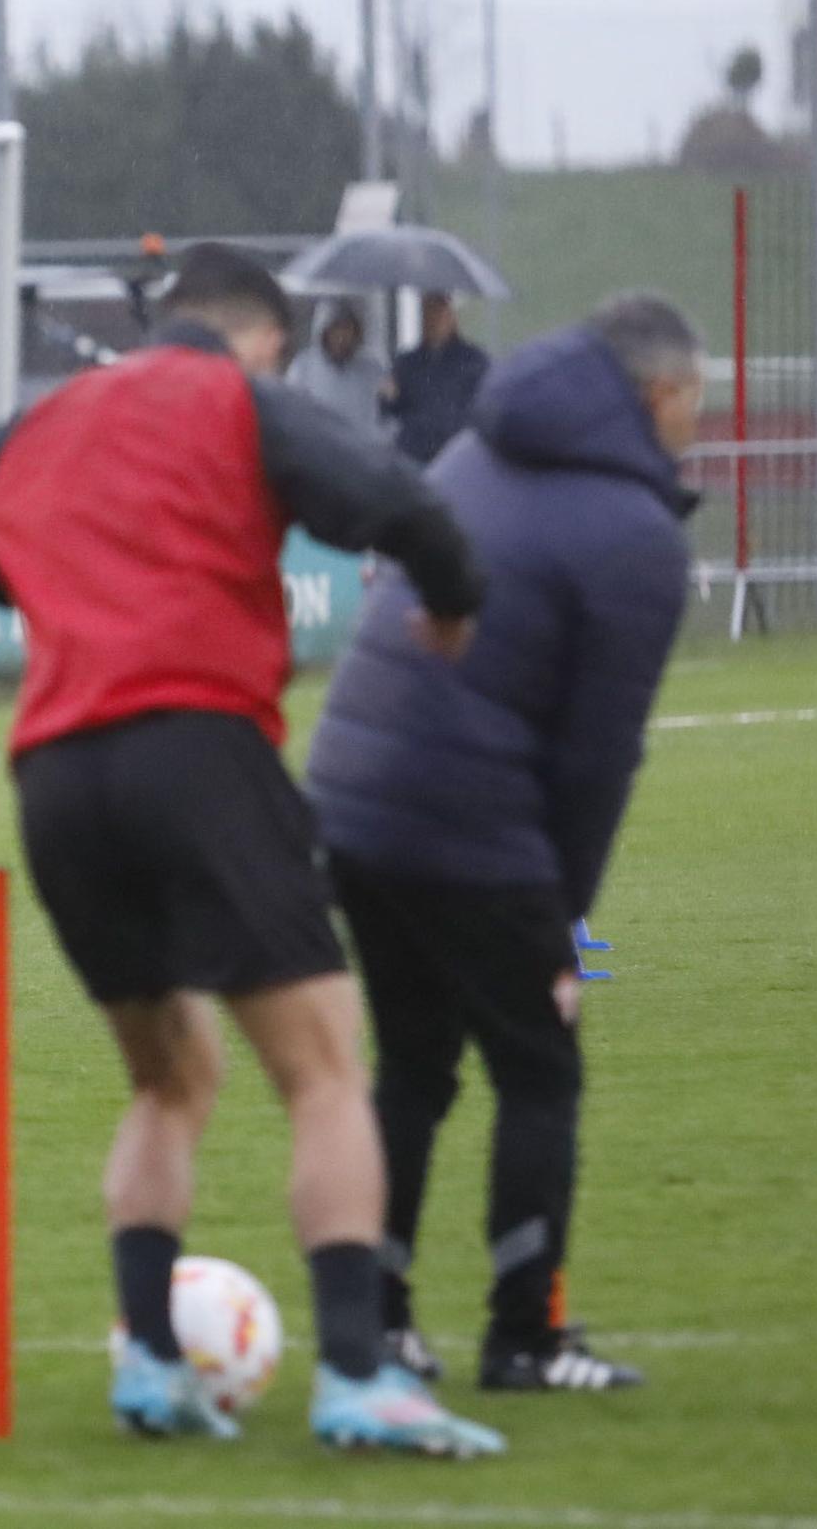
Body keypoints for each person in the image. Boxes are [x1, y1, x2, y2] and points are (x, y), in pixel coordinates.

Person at [0, 244, 503, 1457]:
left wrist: (63, 581)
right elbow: (405, 504)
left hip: (56, 776)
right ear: (263, 336)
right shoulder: (236, 397)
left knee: (168, 1080)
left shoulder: (50, 419)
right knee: (320, 1070)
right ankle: (359, 1378)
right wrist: (453, 596)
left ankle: (151, 1365)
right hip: (193, 747)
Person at [307, 293, 704, 1393]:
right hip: (462, 820)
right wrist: (561, 931)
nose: (697, 426)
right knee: (538, 1069)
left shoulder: (477, 451)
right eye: (695, 403)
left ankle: (380, 1325)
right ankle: (523, 1337)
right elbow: (594, 761)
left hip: (350, 802)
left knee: (414, 1067)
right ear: (658, 396)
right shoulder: (634, 535)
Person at [383, 290, 490, 465]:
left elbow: (482, 405)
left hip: (454, 455)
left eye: (439, 313)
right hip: (414, 455)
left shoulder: (473, 361)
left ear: (452, 317)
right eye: (427, 314)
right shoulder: (407, 362)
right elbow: (392, 410)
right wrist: (388, 397)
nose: (433, 321)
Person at [287, 298, 388, 436]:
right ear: (324, 332)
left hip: (362, 449)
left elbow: (385, 415)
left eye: (347, 329)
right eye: (336, 329)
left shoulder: (371, 369)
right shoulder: (303, 367)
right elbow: (293, 414)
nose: (341, 336)